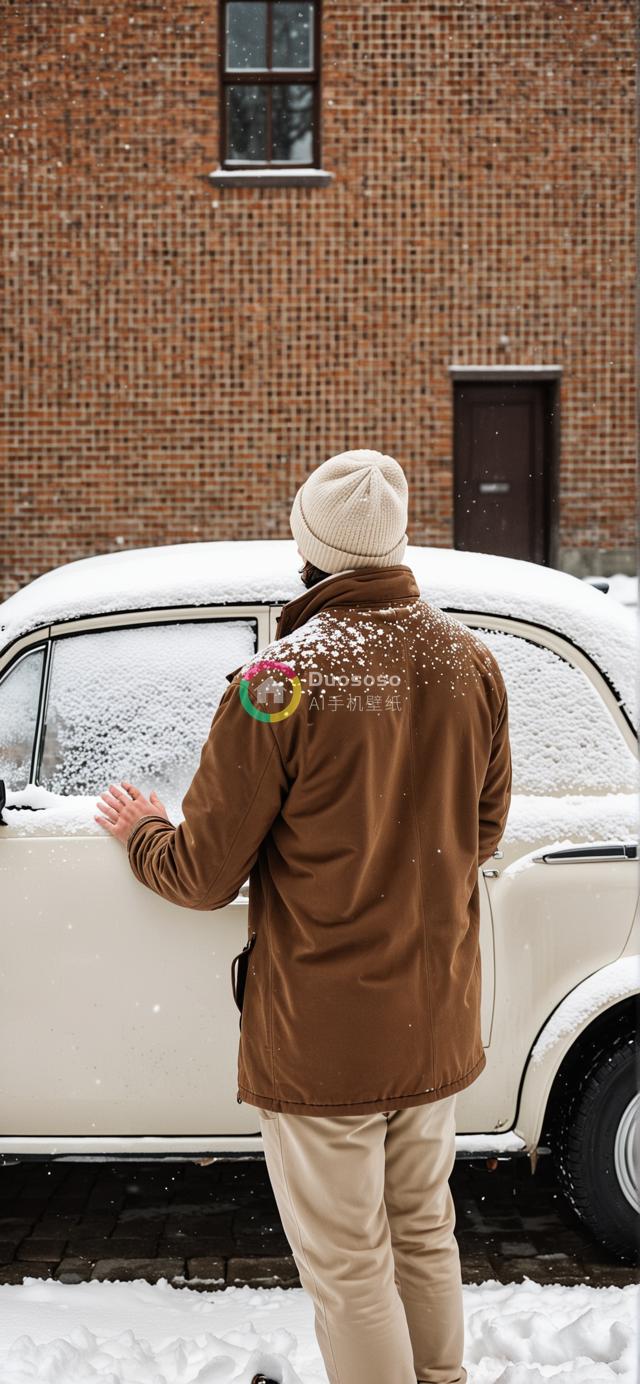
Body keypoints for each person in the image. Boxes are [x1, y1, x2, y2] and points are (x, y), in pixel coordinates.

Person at [96, 449, 512, 1384]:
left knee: (351, 1267)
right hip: (436, 1015)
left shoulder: (277, 682)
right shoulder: (470, 663)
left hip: (328, 1037)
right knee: (425, 1230)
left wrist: (142, 832)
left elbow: (203, 874)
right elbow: (480, 833)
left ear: (309, 548)